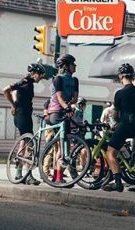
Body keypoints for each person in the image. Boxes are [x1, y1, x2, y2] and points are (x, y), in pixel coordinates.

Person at [102, 63, 135, 192]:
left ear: (120, 77)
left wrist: (114, 123)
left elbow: (115, 113)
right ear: (132, 76)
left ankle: (118, 183)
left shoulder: (119, 93)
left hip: (125, 124)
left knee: (110, 152)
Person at [3, 62, 45, 185]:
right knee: (30, 143)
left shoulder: (29, 83)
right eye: (40, 74)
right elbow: (6, 90)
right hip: (22, 115)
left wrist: (15, 102)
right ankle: (28, 175)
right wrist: (13, 105)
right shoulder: (25, 81)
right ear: (34, 73)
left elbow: (15, 93)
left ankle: (18, 174)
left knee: (24, 143)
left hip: (25, 115)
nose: (42, 77)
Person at [46, 53, 79, 183]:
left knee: (65, 146)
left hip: (66, 111)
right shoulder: (58, 79)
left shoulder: (75, 80)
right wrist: (66, 107)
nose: (75, 66)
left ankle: (57, 176)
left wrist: (70, 106)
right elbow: (59, 97)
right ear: (66, 66)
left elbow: (75, 97)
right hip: (56, 112)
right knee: (61, 146)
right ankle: (58, 176)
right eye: (73, 64)